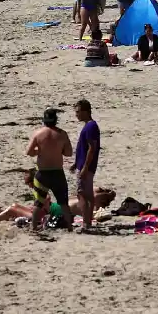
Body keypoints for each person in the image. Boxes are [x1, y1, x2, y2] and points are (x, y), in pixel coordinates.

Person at [26, 108, 74, 231]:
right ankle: (70, 227)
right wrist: (59, 150)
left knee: (39, 202)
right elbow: (69, 153)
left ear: (44, 120)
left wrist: (40, 151)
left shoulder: (38, 134)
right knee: (63, 203)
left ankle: (33, 227)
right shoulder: (62, 134)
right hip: (57, 172)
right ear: (56, 120)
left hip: (42, 173)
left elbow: (29, 152)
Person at [73, 99, 100, 231]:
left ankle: (86, 223)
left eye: (78, 112)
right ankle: (88, 222)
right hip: (83, 165)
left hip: (86, 167)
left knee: (82, 195)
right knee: (87, 194)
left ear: (85, 111)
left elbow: (91, 148)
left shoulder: (90, 126)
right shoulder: (89, 126)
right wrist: (76, 163)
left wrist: (84, 168)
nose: (76, 115)